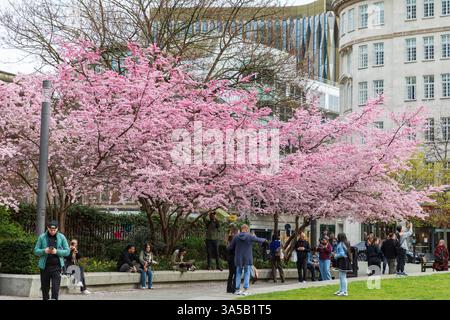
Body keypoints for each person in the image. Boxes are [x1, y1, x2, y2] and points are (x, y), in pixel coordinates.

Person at [34, 220, 70, 300]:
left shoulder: (61, 237)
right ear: (47, 228)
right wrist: (44, 251)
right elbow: (36, 251)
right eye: (51, 229)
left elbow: (67, 252)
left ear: (57, 229)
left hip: (57, 267)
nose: (52, 231)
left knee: (55, 289)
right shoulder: (42, 237)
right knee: (45, 289)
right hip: (44, 267)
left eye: (54, 230)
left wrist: (57, 251)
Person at [227, 224, 267, 296]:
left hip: (238, 259)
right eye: (248, 229)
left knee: (238, 274)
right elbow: (258, 240)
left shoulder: (236, 237)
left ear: (241, 229)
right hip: (247, 259)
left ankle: (237, 290)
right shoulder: (249, 236)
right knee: (246, 274)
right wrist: (265, 240)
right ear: (246, 229)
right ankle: (245, 290)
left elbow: (229, 247)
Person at [226, 228, 239, 293]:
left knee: (231, 274)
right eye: (238, 232)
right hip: (233, 259)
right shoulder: (234, 241)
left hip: (229, 259)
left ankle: (229, 289)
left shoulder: (229, 239)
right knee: (236, 274)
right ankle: (234, 289)